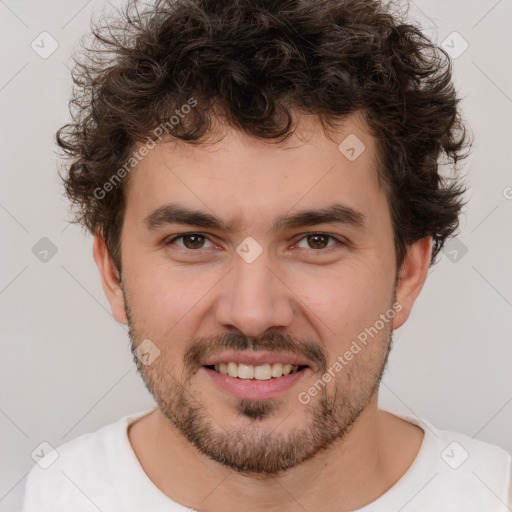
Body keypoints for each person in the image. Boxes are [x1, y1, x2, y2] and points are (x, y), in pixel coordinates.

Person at [22, 0, 511, 510]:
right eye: (193, 241)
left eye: (317, 240)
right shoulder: (55, 495)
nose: (253, 314)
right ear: (113, 271)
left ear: (408, 272)